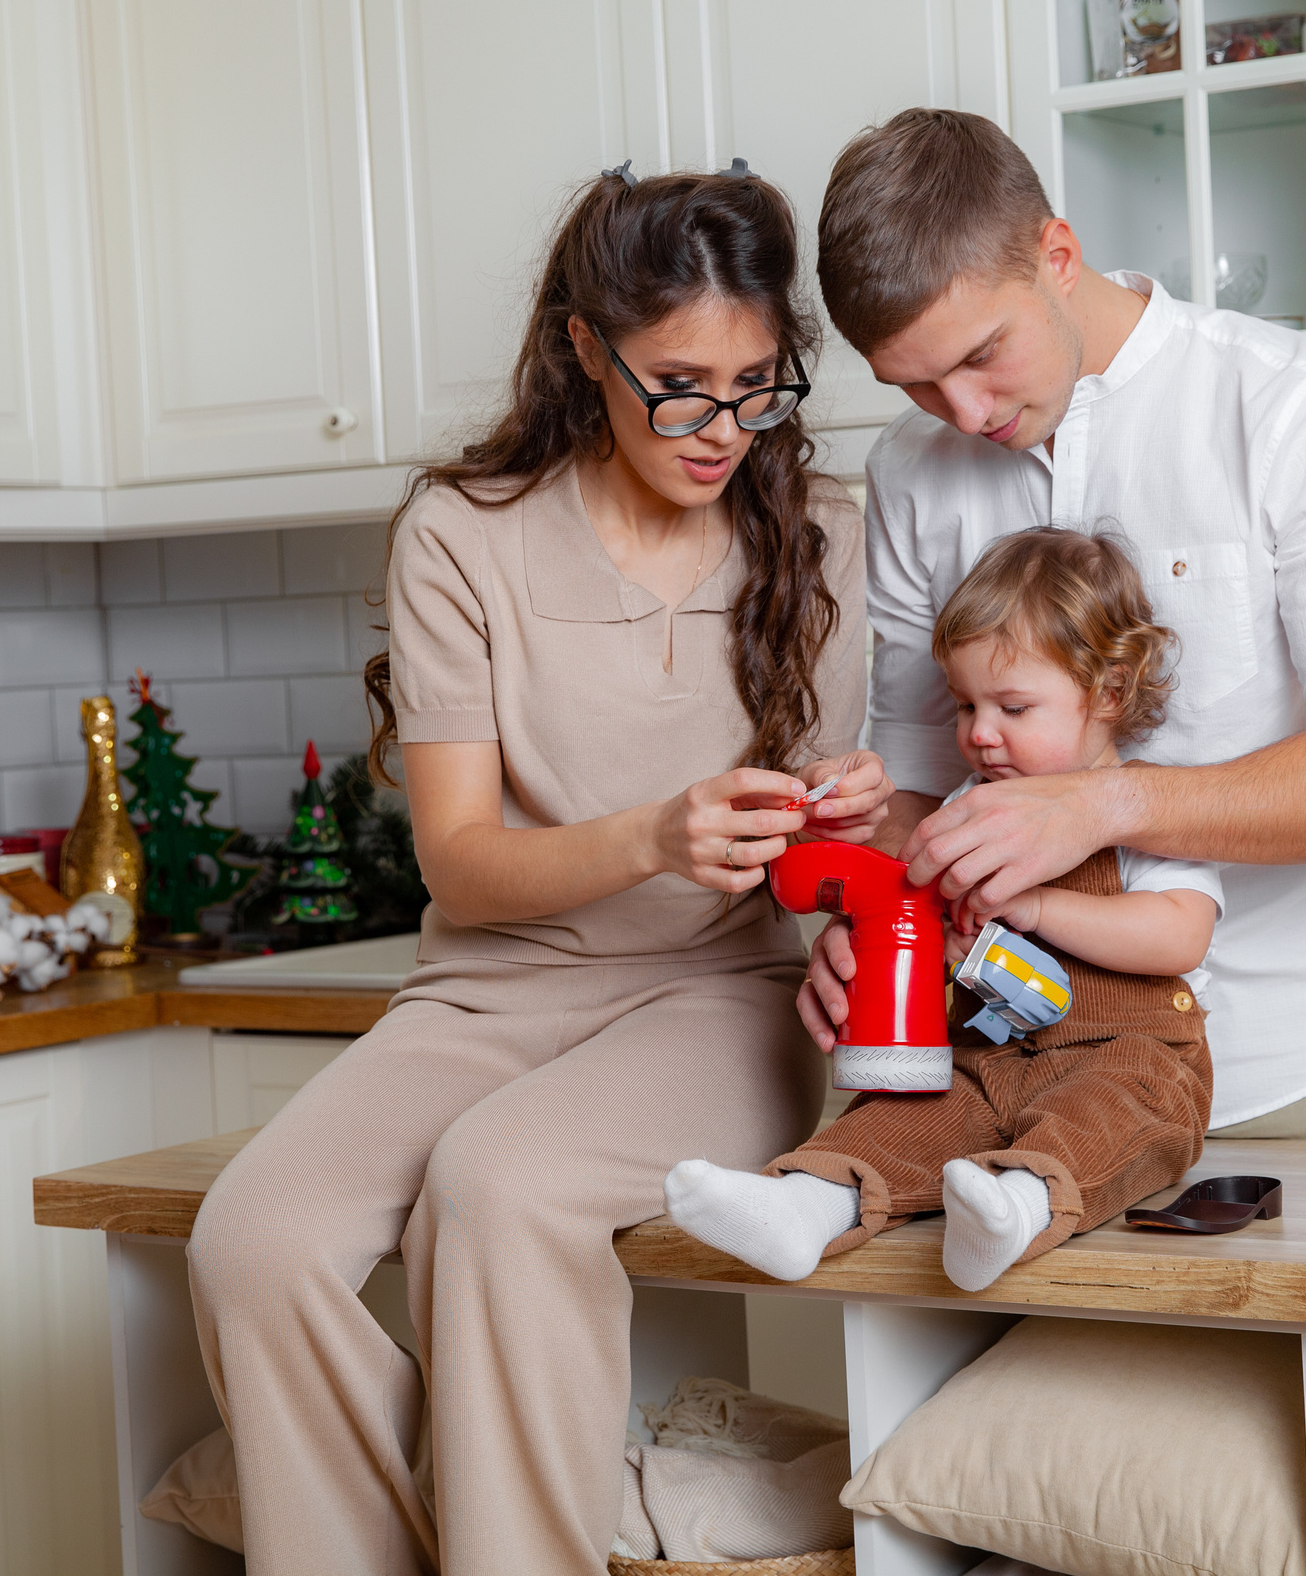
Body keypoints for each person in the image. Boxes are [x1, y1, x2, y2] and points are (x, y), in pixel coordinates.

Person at [185, 165, 887, 1576]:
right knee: (250, 1241)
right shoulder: (465, 533)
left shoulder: (823, 529)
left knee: (497, 1186)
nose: (723, 428)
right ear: (585, 346)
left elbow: (810, 874)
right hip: (489, 991)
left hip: (714, 1001)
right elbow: (460, 860)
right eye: (680, 382)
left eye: (759, 385)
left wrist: (843, 823)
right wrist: (651, 832)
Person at [803, 108, 1306, 1144]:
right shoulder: (908, 470)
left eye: (982, 356)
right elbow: (919, 785)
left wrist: (1099, 807)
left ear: (1056, 255)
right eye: (916, 383)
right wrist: (871, 915)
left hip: (1282, 1073)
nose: (963, 412)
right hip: (992, 1075)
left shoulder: (1293, 409)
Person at [665, 527, 1222, 1293]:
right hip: (985, 1060)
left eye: (1014, 706)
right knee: (905, 1114)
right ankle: (807, 1203)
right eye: (965, 704)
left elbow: (1179, 931)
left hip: (1126, 1052)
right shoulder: (964, 810)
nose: (979, 733)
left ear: (1111, 692)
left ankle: (1018, 1207)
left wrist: (1033, 903)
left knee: (1109, 1116)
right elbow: (914, 917)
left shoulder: (1145, 810)